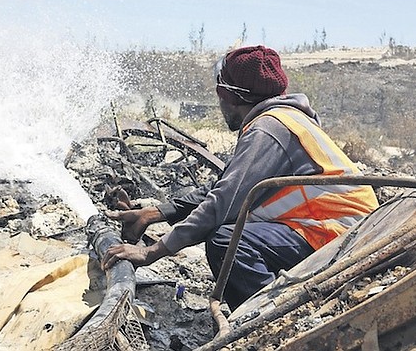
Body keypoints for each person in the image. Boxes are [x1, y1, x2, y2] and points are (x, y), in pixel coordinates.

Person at [101, 45, 379, 311]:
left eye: (221, 95)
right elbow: (226, 186)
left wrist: (153, 253)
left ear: (233, 97)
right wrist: (155, 213)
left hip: (339, 233)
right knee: (229, 230)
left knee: (226, 242)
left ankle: (272, 317)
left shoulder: (267, 130)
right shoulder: (284, 121)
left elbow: (223, 202)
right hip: (342, 225)